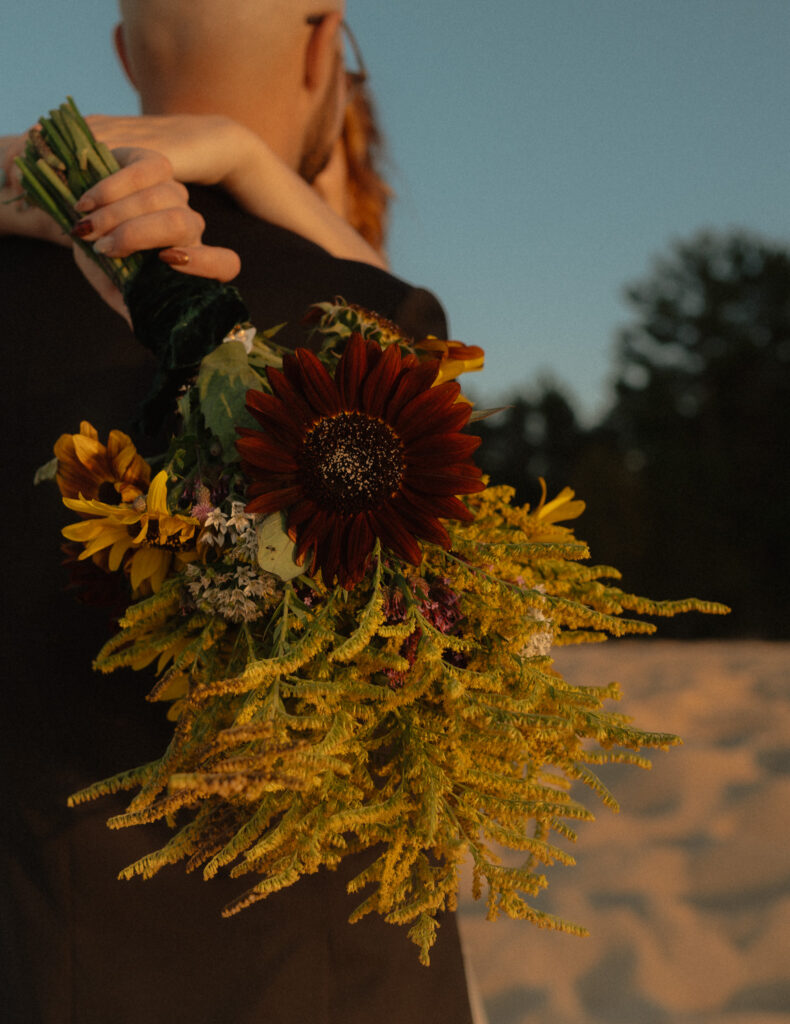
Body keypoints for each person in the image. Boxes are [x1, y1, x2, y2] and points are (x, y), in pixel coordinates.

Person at [0, 2, 475, 1022]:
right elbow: (463, 646)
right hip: (345, 987)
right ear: (320, 45)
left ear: (126, 54)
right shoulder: (376, 324)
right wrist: (261, 172)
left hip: (51, 974)